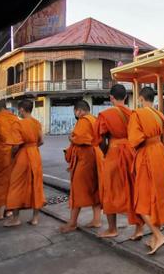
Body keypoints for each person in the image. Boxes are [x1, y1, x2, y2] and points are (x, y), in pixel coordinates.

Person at [127, 86, 164, 255]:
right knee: (157, 196)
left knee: (142, 200)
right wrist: (162, 157)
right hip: (159, 154)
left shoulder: (137, 114)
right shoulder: (160, 115)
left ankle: (159, 236)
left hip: (146, 155)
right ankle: (153, 238)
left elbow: (134, 141)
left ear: (140, 99)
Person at [96, 84, 143, 239]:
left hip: (114, 152)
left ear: (111, 98)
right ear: (125, 97)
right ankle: (139, 228)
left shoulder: (105, 114)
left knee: (109, 189)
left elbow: (100, 139)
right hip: (131, 151)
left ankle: (112, 228)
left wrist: (105, 152)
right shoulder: (133, 113)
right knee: (133, 189)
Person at [61, 100, 102, 233]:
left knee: (77, 190)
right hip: (96, 157)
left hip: (85, 159)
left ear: (79, 111)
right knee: (94, 189)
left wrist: (72, 139)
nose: (76, 115)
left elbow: (81, 139)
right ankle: (96, 220)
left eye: (76, 112)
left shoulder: (84, 121)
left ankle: (72, 223)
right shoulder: (94, 119)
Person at [4, 99, 45, 227]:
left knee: (16, 185)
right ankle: (35, 218)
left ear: (22, 109)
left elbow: (16, 145)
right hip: (35, 154)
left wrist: (12, 155)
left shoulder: (18, 124)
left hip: (23, 155)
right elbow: (41, 141)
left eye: (19, 110)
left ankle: (16, 218)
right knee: (36, 184)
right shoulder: (37, 123)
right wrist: (33, 146)